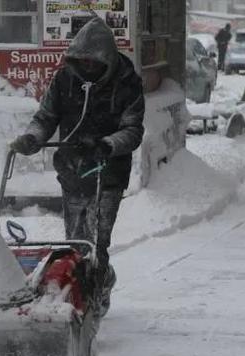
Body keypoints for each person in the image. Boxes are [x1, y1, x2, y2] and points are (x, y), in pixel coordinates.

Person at [10, 16, 145, 322]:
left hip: (108, 173)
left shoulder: (127, 82)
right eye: (81, 62)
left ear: (106, 60)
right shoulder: (65, 80)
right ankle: (81, 288)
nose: (86, 68)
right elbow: (46, 117)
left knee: (96, 240)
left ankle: (94, 297)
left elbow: (133, 129)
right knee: (75, 242)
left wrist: (106, 144)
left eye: (92, 63)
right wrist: (32, 138)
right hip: (72, 169)